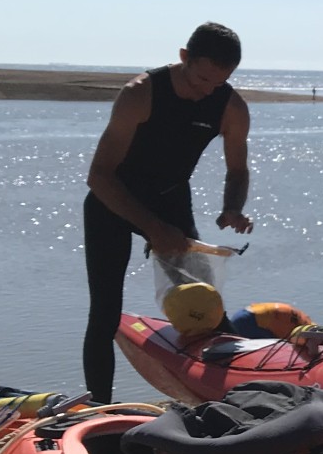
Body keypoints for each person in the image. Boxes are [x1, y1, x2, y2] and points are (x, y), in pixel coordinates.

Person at [81, 23, 254, 402]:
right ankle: (98, 408)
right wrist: (153, 229)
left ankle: (231, 398)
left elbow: (237, 169)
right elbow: (99, 176)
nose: (207, 90)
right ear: (184, 57)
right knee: (105, 313)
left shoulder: (231, 107)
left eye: (218, 82)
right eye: (201, 79)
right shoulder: (140, 94)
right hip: (114, 199)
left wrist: (232, 206)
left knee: (204, 307)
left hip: (171, 199)